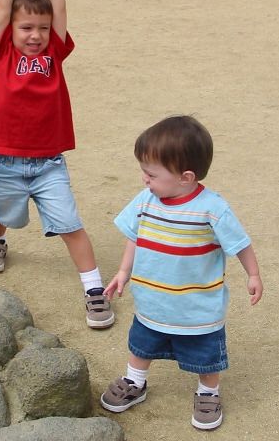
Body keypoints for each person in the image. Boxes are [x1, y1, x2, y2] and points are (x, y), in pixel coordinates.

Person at [0, 0, 115, 330]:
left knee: (70, 224)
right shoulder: (1, 51)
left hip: (49, 163)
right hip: (4, 160)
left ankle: (94, 290)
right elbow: (3, 8)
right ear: (12, 31)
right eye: (26, 28)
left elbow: (59, 6)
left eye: (41, 27)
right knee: (2, 211)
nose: (34, 35)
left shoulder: (54, 48)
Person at [100, 115, 263, 429]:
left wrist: (252, 275)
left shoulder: (212, 208)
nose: (144, 180)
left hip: (197, 308)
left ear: (186, 177)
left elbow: (240, 244)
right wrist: (123, 271)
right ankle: (135, 381)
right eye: (144, 172)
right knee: (142, 344)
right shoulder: (145, 200)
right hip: (153, 301)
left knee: (205, 354)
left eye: (151, 174)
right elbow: (135, 236)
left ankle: (208, 391)